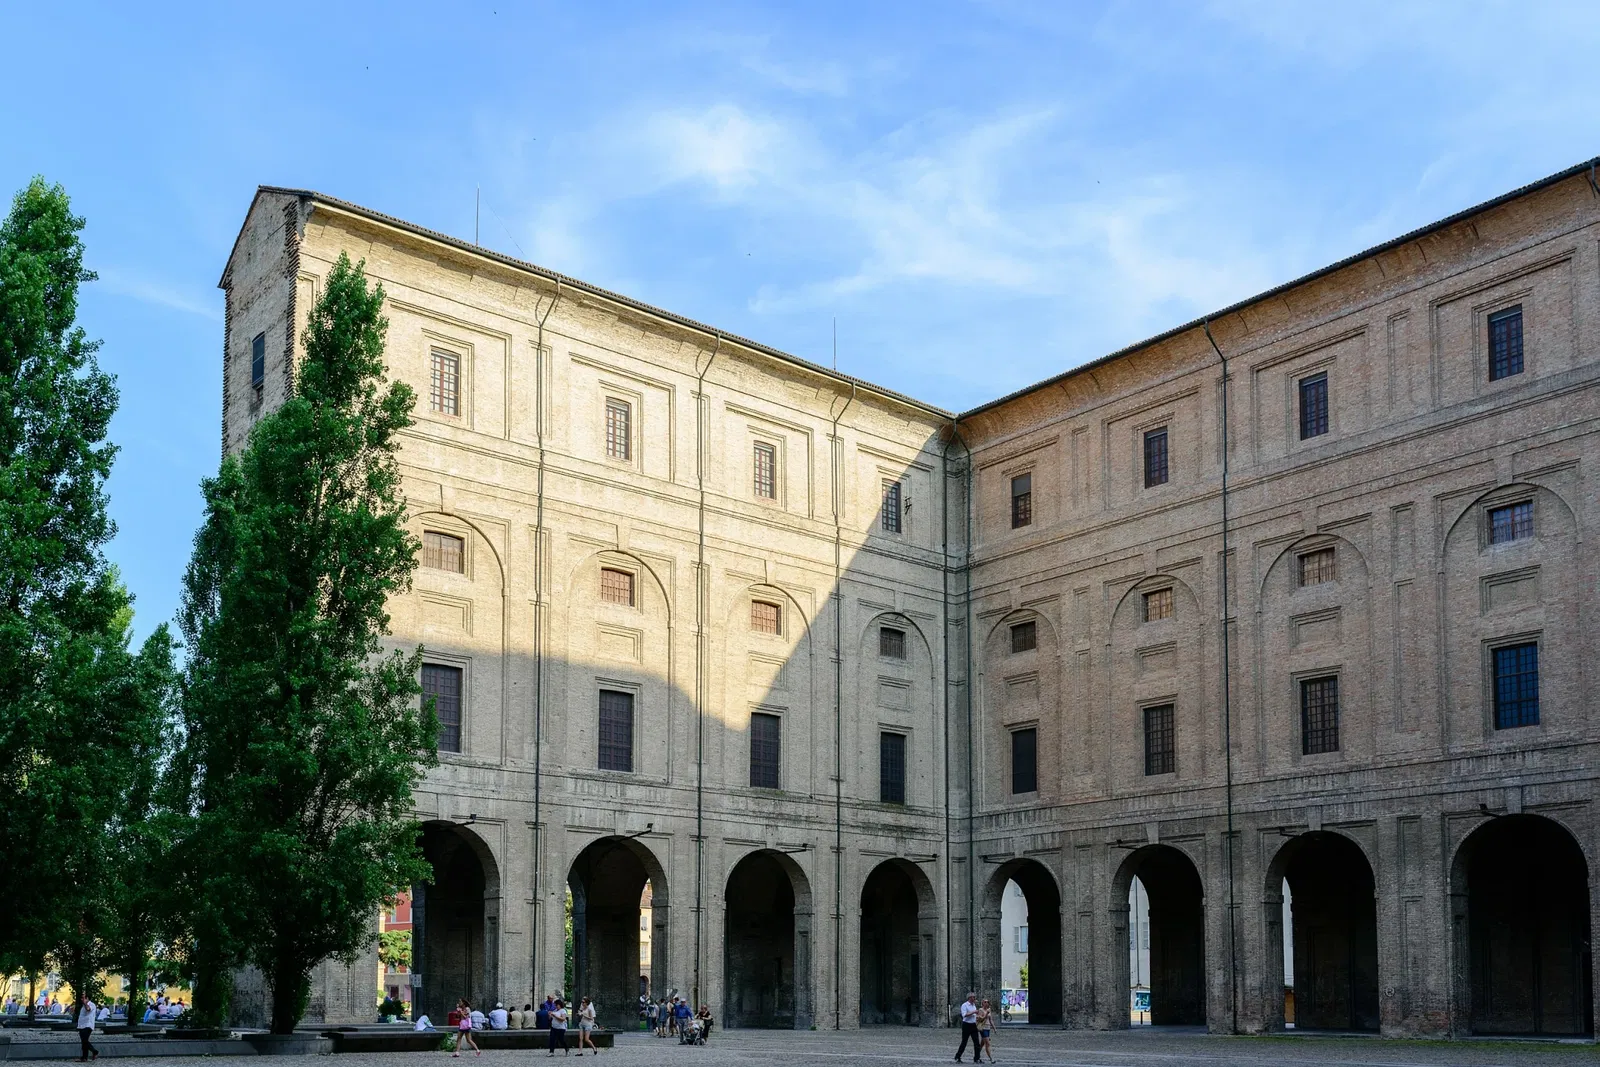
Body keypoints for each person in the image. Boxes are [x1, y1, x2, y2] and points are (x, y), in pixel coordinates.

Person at [955, 992, 980, 1063]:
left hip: (973, 1025)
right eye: (973, 997)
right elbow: (964, 1015)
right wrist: (973, 1012)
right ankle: (958, 1056)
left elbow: (974, 1015)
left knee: (976, 1042)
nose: (974, 998)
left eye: (974, 997)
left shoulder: (974, 1005)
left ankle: (977, 1058)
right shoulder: (964, 1005)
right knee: (964, 1042)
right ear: (969, 998)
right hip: (966, 1025)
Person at [75, 996, 99, 1062]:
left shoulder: (91, 1004)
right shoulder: (83, 1006)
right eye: (81, 998)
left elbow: (88, 1009)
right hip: (82, 1025)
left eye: (84, 998)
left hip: (87, 1025)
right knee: (84, 1042)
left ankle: (94, 1051)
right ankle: (84, 1057)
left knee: (85, 1041)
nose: (82, 999)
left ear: (87, 998)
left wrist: (85, 1003)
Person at [976, 998, 995, 1063]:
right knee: (987, 1043)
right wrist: (986, 1013)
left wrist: (994, 1028)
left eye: (987, 1002)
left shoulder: (989, 1010)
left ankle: (976, 1056)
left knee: (982, 1044)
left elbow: (990, 1019)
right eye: (985, 1002)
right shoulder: (980, 1010)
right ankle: (991, 1058)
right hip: (983, 1028)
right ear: (982, 1003)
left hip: (988, 1028)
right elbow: (981, 1019)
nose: (986, 1003)